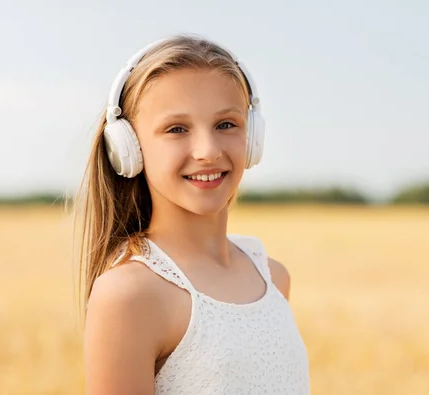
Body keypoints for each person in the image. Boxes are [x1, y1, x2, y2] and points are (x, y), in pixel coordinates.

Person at [72, 34, 311, 394]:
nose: (208, 151)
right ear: (129, 149)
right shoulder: (129, 295)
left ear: (252, 138)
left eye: (226, 124)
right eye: (177, 129)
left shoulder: (273, 278)